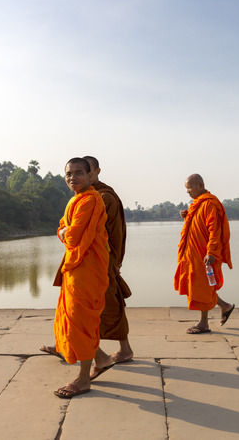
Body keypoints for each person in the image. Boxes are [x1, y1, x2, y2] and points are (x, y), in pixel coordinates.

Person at [43, 157, 111, 398]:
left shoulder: (91, 200)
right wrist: (64, 230)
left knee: (81, 320)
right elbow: (65, 228)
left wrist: (62, 232)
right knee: (75, 318)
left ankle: (83, 379)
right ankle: (101, 359)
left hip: (88, 268)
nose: (73, 177)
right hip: (76, 267)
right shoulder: (75, 200)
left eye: (79, 173)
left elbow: (70, 235)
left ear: (91, 176)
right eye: (69, 174)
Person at [83, 156, 133, 379]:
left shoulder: (103, 197)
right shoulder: (88, 196)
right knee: (77, 305)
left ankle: (124, 349)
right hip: (89, 260)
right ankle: (68, 344)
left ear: (95, 172)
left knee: (110, 303)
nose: (82, 177)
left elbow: (89, 231)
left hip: (102, 259)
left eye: (86, 172)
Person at [174, 174, 235, 334]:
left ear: (200, 185)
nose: (187, 191)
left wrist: (212, 252)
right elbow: (198, 224)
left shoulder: (209, 204)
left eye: (190, 187)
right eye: (186, 188)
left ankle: (204, 323)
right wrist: (188, 216)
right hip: (194, 254)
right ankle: (225, 306)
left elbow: (214, 231)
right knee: (202, 286)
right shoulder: (197, 204)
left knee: (203, 287)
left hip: (204, 254)